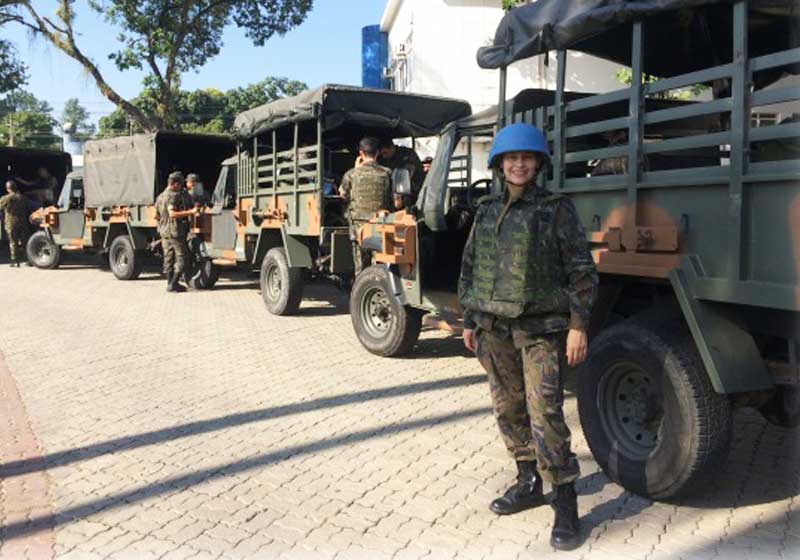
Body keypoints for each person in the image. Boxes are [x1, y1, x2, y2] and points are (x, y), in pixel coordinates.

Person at [458, 123, 598, 551]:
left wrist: (578, 324)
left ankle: (566, 504)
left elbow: (582, 270)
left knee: (546, 415)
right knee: (508, 408)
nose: (519, 164)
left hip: (540, 331)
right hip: (493, 329)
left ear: (539, 163)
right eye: (511, 158)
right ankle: (528, 480)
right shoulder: (485, 208)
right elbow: (471, 264)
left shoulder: (555, 209)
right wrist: (469, 318)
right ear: (499, 164)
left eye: (527, 158)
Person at [339, 137, 393, 275]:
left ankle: (360, 290)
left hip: (358, 226)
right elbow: (393, 198)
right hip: (381, 224)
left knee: (360, 268)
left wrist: (357, 168)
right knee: (383, 265)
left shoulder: (351, 174)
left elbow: (343, 195)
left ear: (361, 153)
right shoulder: (387, 173)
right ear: (377, 153)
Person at [154, 172, 199, 292]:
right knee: (183, 257)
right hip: (175, 231)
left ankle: (170, 283)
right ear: (175, 184)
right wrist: (191, 212)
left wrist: (164, 222)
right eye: (180, 185)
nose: (181, 187)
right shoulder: (172, 196)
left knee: (168, 257)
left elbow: (156, 216)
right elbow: (173, 214)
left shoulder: (160, 197)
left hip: (164, 232)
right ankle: (174, 283)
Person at [378, 137, 424, 208]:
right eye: (382, 154)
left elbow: (407, 173)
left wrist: (397, 195)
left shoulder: (406, 154)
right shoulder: (385, 159)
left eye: (385, 153)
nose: (384, 156)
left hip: (411, 190)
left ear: (392, 148)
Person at [0, 180, 31, 267]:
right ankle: (28, 259)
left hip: (11, 222)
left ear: (8, 189)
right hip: (22, 221)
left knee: (13, 241)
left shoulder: (5, 198)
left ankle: (15, 261)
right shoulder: (23, 197)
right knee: (24, 241)